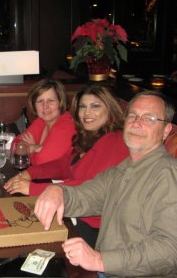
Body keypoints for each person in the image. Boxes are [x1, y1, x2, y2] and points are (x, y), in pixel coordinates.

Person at [34, 90, 177, 277]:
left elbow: (170, 251)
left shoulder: (169, 174)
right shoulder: (122, 170)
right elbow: (86, 196)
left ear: (166, 130)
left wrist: (99, 260)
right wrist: (57, 191)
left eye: (149, 118)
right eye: (132, 115)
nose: (136, 123)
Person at [5, 84, 129, 248]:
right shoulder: (87, 136)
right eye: (83, 107)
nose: (87, 113)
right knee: (11, 226)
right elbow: (64, 164)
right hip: (72, 212)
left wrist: (32, 188)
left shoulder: (115, 140)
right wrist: (30, 173)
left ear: (110, 110)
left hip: (94, 227)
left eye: (95, 106)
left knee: (18, 239)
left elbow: (89, 185)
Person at [11, 79, 75, 165]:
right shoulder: (41, 122)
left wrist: (31, 149)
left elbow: (43, 162)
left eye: (51, 100)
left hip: (61, 178)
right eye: (40, 101)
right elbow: (14, 146)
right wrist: (37, 148)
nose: (45, 106)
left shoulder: (66, 125)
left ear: (60, 102)